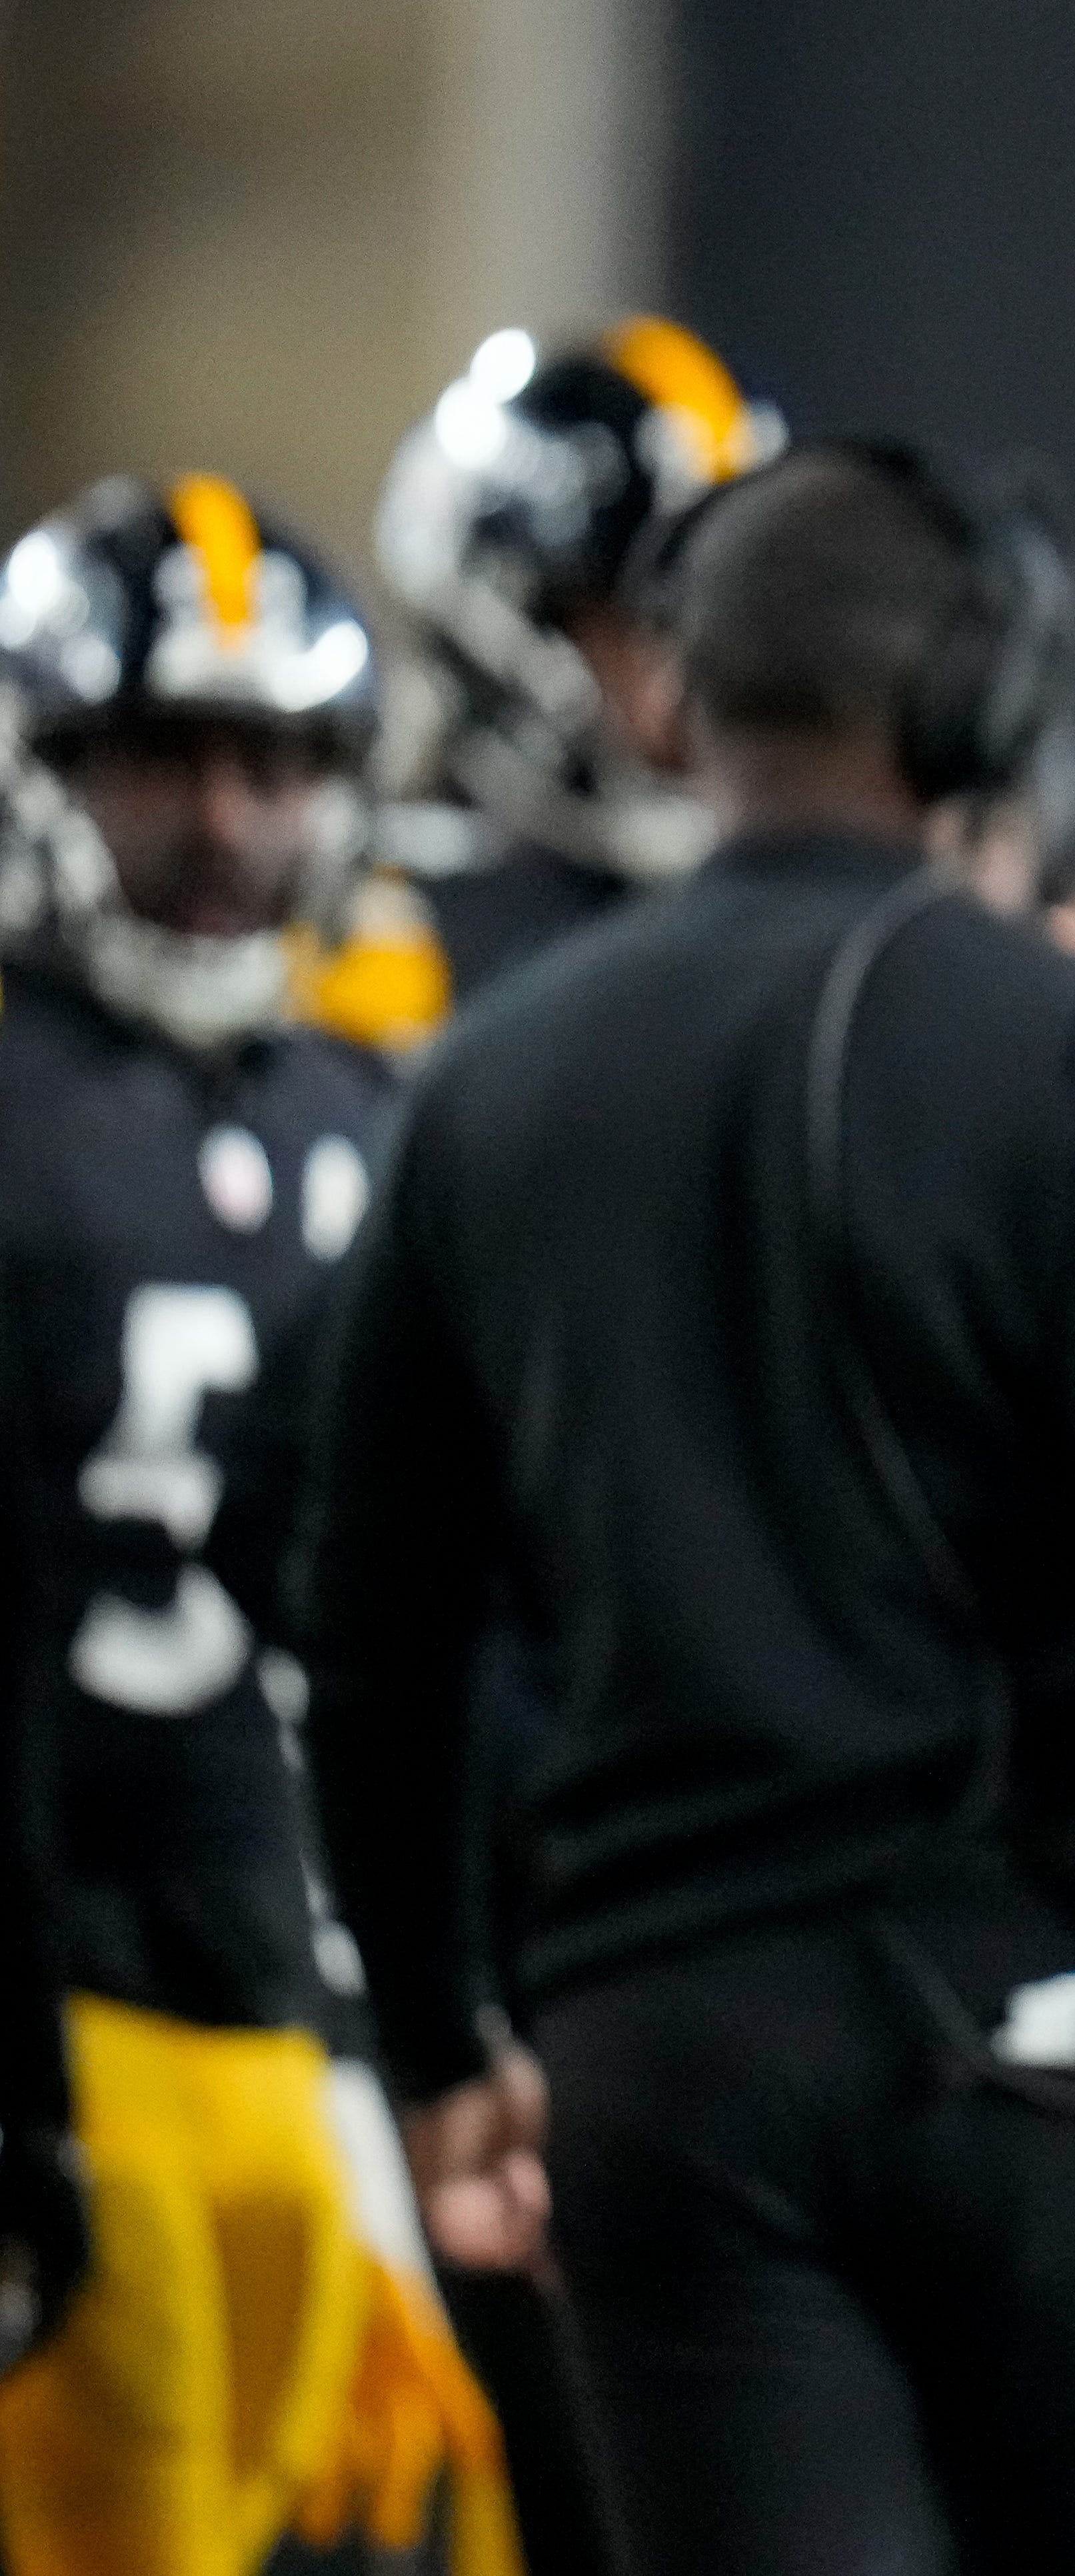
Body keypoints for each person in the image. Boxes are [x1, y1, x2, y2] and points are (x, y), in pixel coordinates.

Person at [296, 440, 1075, 2576]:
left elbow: (376, 1638)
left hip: (659, 2069)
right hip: (1062, 2037)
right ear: (979, 707)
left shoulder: (479, 1080)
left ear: (677, 697)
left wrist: (436, 2041)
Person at [0, 473, 509, 2576]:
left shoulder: (378, 1106)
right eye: (159, 761)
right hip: (71, 1997)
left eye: (275, 761)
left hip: (329, 2021)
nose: (224, 820)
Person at [369, 315, 788, 1004]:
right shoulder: (383, 935)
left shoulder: (778, 897)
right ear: (520, 623)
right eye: (657, 620)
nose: (721, 669)